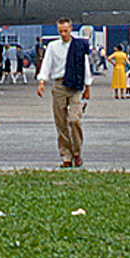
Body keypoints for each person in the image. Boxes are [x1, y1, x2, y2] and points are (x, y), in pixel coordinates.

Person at [36, 17, 91, 167]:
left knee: (74, 120)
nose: (63, 34)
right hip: (59, 85)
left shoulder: (78, 45)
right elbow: (46, 64)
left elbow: (85, 66)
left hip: (75, 85)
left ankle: (77, 152)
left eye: (65, 31)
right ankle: (66, 156)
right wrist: (42, 82)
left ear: (71, 29)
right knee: (61, 123)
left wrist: (87, 87)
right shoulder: (53, 46)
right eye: (60, 31)